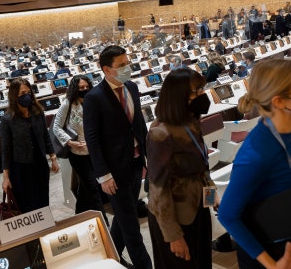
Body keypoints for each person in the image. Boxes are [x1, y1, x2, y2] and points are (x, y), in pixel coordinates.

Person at [218, 59, 291, 269]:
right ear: (280, 102)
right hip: (270, 255)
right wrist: (271, 265)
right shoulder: (255, 155)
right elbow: (228, 216)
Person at [83, 45, 152, 269]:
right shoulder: (94, 97)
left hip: (135, 163)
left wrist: (149, 156)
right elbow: (92, 139)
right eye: (121, 65)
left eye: (127, 63)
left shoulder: (131, 87)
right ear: (106, 69)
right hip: (114, 171)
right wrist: (103, 175)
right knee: (132, 226)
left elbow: (139, 125)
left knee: (124, 216)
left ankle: (111, 256)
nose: (127, 68)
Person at [147, 68, 216, 269]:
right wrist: (173, 236)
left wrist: (211, 197)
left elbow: (202, 167)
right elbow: (158, 189)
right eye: (197, 92)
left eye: (202, 89)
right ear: (179, 97)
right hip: (173, 217)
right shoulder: (161, 133)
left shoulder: (191, 121)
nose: (202, 95)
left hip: (197, 208)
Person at [52, 75, 108, 221]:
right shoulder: (68, 104)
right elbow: (56, 127)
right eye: (80, 88)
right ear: (74, 89)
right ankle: (104, 222)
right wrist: (70, 142)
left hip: (94, 151)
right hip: (77, 153)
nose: (84, 90)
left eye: (86, 87)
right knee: (92, 187)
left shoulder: (94, 102)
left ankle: (79, 214)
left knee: (85, 187)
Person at [0, 78, 60, 213]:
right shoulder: (7, 119)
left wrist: (53, 158)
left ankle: (44, 229)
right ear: (14, 96)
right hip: (21, 168)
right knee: (26, 205)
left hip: (40, 164)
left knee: (42, 200)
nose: (26, 96)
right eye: (22, 94)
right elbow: (6, 150)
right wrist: (5, 177)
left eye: (28, 92)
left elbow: (45, 136)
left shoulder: (38, 112)